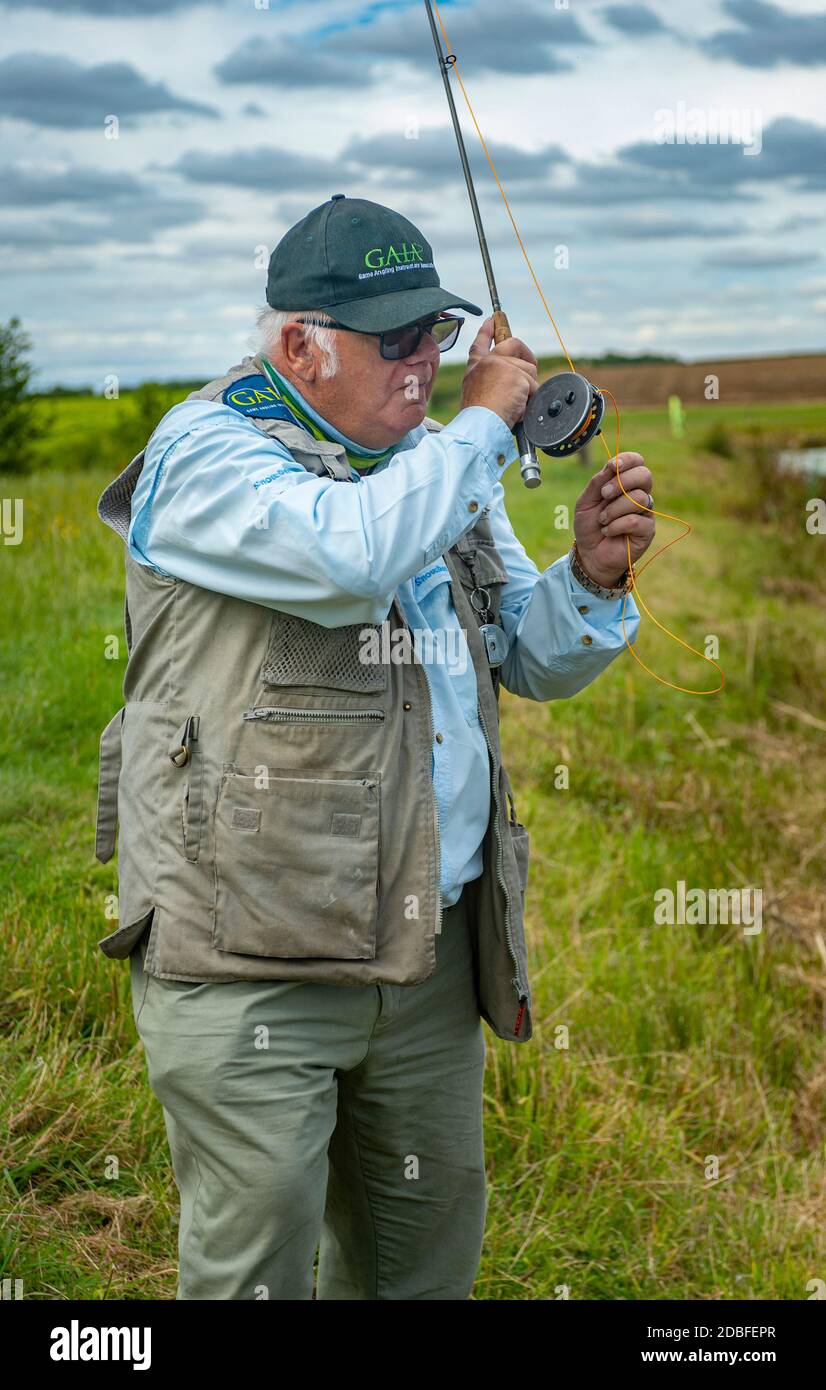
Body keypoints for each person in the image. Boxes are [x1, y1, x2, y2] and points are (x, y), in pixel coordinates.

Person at [94, 194, 655, 1300]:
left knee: (420, 1261)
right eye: (396, 341)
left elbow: (518, 657)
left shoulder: (430, 463)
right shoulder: (207, 452)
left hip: (429, 950)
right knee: (255, 1269)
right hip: (248, 957)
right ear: (300, 342)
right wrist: (488, 422)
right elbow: (353, 557)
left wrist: (587, 576)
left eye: (437, 337)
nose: (426, 366)